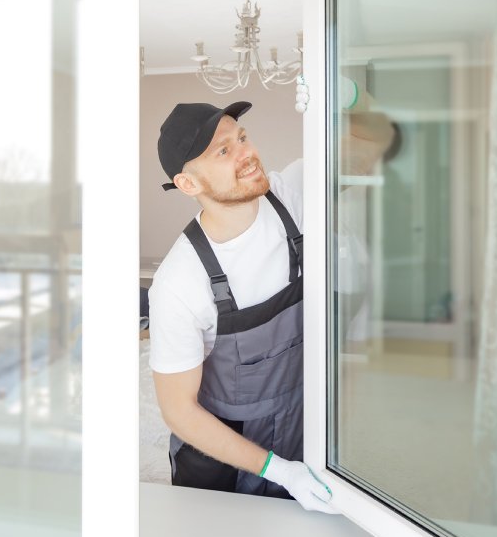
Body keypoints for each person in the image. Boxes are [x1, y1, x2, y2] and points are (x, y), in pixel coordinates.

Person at [148, 100, 394, 514]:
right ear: (188, 184)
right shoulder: (179, 282)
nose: (246, 153)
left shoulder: (290, 193)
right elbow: (179, 412)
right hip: (224, 462)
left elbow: (376, 139)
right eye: (223, 150)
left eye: (242, 137)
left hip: (303, 427)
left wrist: (347, 94)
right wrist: (280, 471)